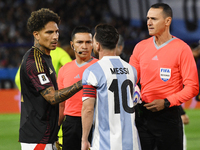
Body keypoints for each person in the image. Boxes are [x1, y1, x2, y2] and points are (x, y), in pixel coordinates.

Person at [129, 3, 199, 150]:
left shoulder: (182, 49)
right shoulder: (140, 47)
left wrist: (166, 102)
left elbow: (192, 87)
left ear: (167, 21)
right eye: (148, 18)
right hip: (142, 116)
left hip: (168, 117)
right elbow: (131, 80)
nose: (148, 22)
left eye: (154, 19)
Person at [19, 8, 82, 150]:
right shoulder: (34, 61)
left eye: (57, 32)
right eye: (49, 32)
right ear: (36, 34)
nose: (55, 37)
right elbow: (52, 97)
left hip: (47, 136)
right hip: (38, 137)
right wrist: (82, 82)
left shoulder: (45, 57)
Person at [81, 24, 141, 150]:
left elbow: (88, 109)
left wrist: (85, 139)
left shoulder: (92, 71)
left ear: (97, 45)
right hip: (132, 143)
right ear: (116, 43)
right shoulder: (131, 70)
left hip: (105, 144)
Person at [57, 26, 98, 150]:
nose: (84, 46)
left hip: (95, 123)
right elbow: (61, 104)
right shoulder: (64, 70)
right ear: (72, 44)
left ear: (93, 44)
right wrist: (56, 128)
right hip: (70, 124)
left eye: (88, 42)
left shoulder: (100, 66)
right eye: (80, 42)